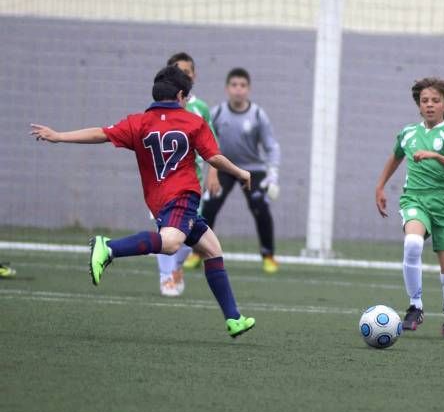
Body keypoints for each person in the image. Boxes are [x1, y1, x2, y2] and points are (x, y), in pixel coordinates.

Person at [30, 65, 256, 338]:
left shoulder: (138, 122)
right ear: (182, 96)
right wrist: (241, 172)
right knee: (171, 244)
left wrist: (59, 136)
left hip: (158, 201)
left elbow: (100, 133)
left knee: (212, 249)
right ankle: (109, 247)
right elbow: (213, 158)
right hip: (182, 196)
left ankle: (233, 318)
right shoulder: (194, 122)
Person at [375, 77, 444, 338]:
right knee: (413, 244)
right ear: (418, 106)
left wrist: (437, 156)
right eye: (424, 101)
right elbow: (395, 157)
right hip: (415, 199)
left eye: (435, 101)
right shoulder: (408, 133)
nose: (429, 105)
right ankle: (415, 306)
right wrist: (381, 186)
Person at [185, 68, 281, 274]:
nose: (238, 90)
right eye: (234, 85)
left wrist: (272, 173)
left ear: (249, 89)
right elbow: (205, 141)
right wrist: (209, 167)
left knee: (261, 209)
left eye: (243, 86)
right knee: (208, 207)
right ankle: (197, 252)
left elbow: (271, 146)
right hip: (224, 167)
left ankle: (269, 256)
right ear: (227, 88)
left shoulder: (257, 114)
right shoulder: (217, 113)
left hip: (253, 170)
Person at [155, 52, 217, 297]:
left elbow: (212, 144)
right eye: (177, 72)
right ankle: (165, 277)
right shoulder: (159, 109)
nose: (183, 76)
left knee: (186, 232)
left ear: (194, 75)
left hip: (193, 181)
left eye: (187, 72)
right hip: (161, 181)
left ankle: (176, 266)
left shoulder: (200, 109)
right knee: (165, 230)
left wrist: (213, 173)